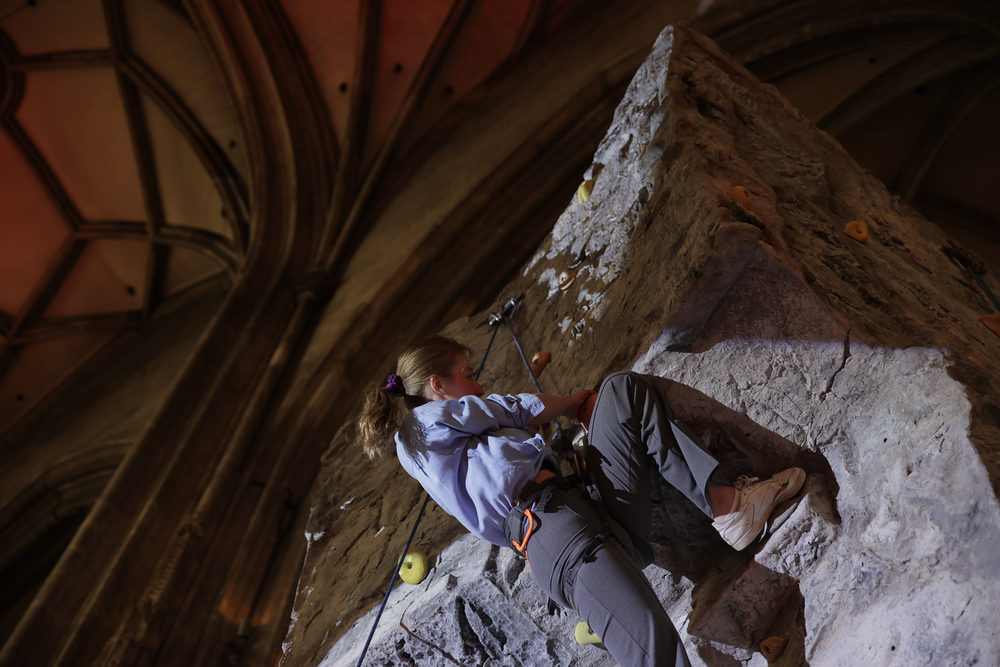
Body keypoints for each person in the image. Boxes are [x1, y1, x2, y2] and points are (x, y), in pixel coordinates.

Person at [359, 335, 805, 667]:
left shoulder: (448, 440)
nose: (478, 384)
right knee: (657, 652)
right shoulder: (424, 425)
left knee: (620, 392)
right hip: (561, 539)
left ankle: (730, 507)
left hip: (589, 513)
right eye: (468, 374)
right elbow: (513, 407)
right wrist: (574, 403)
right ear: (437, 384)